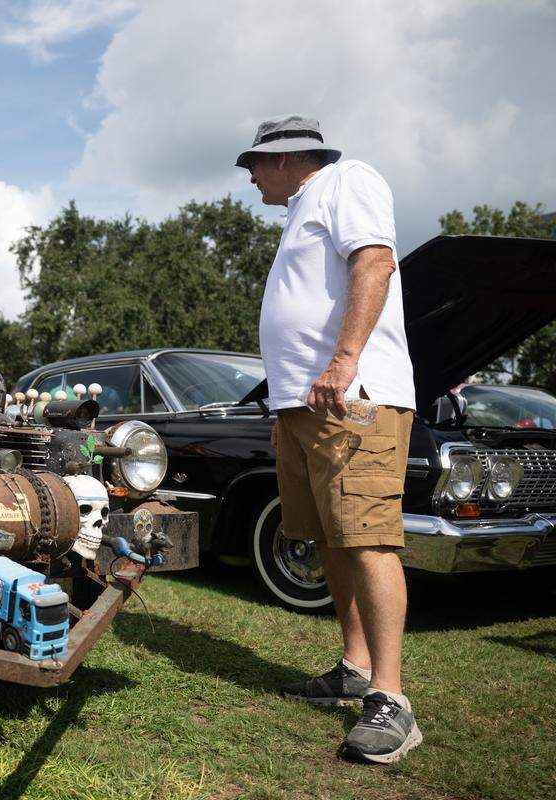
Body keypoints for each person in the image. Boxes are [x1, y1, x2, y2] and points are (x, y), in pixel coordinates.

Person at [236, 115, 421, 764]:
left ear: (285, 158)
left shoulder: (348, 180)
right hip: (305, 408)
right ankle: (354, 665)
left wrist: (345, 361)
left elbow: (374, 262)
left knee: (367, 537)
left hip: (353, 398)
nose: (250, 176)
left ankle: (391, 701)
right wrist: (284, 406)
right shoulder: (301, 212)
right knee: (329, 536)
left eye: (253, 164)